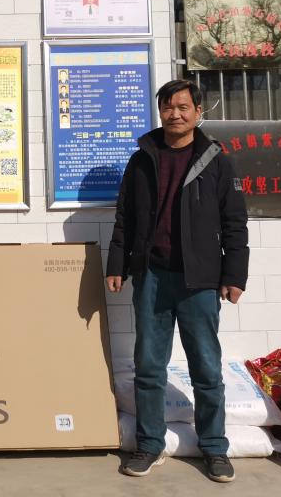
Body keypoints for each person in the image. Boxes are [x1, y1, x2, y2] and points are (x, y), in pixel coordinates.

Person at [106, 79, 248, 483]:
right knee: (149, 367)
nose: (175, 114)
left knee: (206, 367)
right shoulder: (142, 160)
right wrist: (117, 265)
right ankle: (150, 444)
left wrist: (234, 274)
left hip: (200, 280)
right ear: (160, 112)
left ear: (198, 112)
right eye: (168, 107)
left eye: (183, 107)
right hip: (152, 275)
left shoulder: (216, 160)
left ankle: (214, 448)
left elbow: (235, 222)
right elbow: (125, 218)